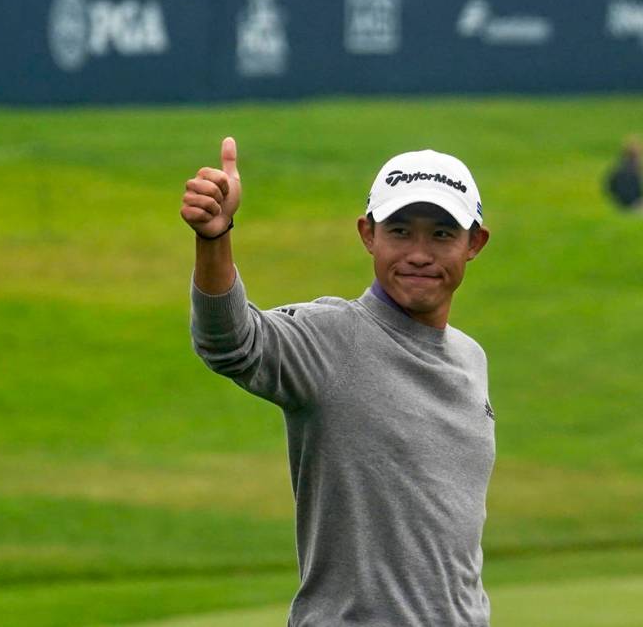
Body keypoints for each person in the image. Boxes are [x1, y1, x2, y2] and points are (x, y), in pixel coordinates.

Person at [181, 137, 495, 626]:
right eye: (399, 231)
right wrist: (214, 238)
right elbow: (231, 342)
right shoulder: (332, 338)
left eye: (441, 234)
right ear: (368, 235)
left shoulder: (471, 360)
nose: (418, 253)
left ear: (474, 244)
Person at [604, 135, 643, 209]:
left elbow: (609, 187)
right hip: (635, 204)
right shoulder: (636, 169)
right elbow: (641, 191)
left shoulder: (617, 167)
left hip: (620, 203)